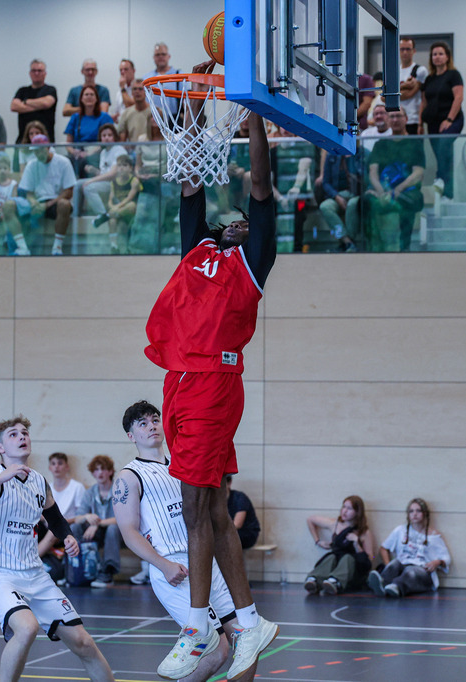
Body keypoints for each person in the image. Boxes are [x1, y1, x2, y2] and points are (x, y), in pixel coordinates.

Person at [145, 59, 279, 682]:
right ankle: (249, 623)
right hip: (179, 381)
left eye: (244, 222)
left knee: (195, 509)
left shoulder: (251, 264)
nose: (236, 221)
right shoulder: (197, 246)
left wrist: (252, 119)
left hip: (212, 380)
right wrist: (197, 101)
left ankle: (199, 626)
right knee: (214, 509)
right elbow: (193, 176)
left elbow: (259, 186)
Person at [0, 416, 116, 682]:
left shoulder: (39, 481)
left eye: (25, 432)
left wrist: (68, 537)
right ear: (0, 448)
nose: (21, 436)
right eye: (13, 434)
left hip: (36, 576)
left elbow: (55, 518)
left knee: (84, 643)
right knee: (27, 628)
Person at [112, 400, 248, 682]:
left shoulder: (182, 464)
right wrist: (163, 565)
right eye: (143, 423)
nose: (152, 426)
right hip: (174, 568)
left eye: (154, 419)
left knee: (245, 636)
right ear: (131, 435)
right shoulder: (129, 476)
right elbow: (129, 532)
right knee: (215, 651)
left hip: (206, 561)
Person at [364, 108, 425, 252]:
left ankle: (405, 247)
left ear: (406, 119)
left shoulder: (416, 143)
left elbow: (418, 173)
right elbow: (373, 172)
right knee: (364, 202)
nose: (395, 120)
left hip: (407, 192)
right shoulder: (380, 144)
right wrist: (381, 192)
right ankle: (374, 247)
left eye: (398, 116)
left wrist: (398, 190)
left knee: (408, 202)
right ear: (388, 120)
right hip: (383, 192)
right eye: (392, 116)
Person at [368, 498, 451, 598]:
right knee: (395, 564)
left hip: (421, 571)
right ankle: (382, 584)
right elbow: (384, 548)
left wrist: (437, 562)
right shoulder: (400, 530)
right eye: (411, 511)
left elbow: (446, 558)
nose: (414, 514)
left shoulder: (433, 536)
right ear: (408, 515)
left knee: (410, 571)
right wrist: (387, 564)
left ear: (425, 513)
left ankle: (396, 587)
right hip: (403, 565)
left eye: (418, 511)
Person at [68, 455, 124, 587]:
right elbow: (78, 517)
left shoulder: (119, 490)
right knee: (75, 527)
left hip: (119, 535)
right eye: (96, 470)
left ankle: (107, 573)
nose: (100, 473)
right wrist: (87, 517)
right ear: (93, 473)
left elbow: (122, 518)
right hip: (96, 535)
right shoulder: (90, 493)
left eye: (103, 469)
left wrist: (97, 523)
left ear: (110, 472)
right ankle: (76, 569)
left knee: (112, 528)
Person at [305, 495, 374, 595]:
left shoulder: (364, 532)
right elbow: (310, 520)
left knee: (347, 558)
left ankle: (336, 581)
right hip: (336, 561)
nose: (344, 511)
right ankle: (315, 579)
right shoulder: (334, 524)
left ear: (357, 512)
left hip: (352, 567)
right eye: (343, 507)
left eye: (349, 508)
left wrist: (356, 544)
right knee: (331, 557)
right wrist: (318, 541)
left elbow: (371, 557)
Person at [20, 133, 76, 255]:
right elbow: (28, 193)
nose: (38, 154)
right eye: (35, 151)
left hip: (56, 203)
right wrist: (33, 202)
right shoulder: (31, 165)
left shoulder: (63, 162)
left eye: (40, 150)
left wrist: (47, 205)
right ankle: (21, 247)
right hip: (39, 203)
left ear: (48, 148)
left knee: (64, 204)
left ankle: (57, 247)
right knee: (12, 205)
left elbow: (68, 192)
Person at [421, 41, 463, 201]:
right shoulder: (429, 79)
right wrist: (420, 123)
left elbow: (458, 97)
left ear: (447, 57)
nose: (437, 57)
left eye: (440, 54)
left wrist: (449, 119)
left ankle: (444, 185)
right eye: (434, 54)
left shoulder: (453, 75)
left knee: (444, 148)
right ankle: (445, 190)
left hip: (452, 119)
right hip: (433, 121)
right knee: (439, 154)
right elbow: (423, 102)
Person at [81, 123, 129, 224]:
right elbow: (103, 173)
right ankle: (77, 212)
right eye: (104, 136)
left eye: (109, 135)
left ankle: (102, 214)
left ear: (114, 137)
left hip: (116, 184)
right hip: (106, 183)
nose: (106, 138)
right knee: (77, 184)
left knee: (88, 187)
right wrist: (94, 171)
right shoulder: (103, 152)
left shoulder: (119, 150)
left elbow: (112, 175)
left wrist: (92, 180)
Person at [65, 85, 115, 176]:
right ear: (81, 99)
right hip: (78, 153)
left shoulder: (104, 117)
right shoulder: (75, 117)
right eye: (86, 94)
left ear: (97, 99)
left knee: (88, 160)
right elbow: (68, 143)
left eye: (92, 94)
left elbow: (109, 140)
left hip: (97, 152)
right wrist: (74, 152)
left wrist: (89, 153)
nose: (89, 97)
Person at [10, 59, 58, 142]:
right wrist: (39, 106)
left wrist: (25, 102)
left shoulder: (50, 90)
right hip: (23, 141)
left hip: (45, 142)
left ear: (45, 73)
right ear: (30, 73)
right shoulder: (22, 91)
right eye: (34, 70)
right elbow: (14, 106)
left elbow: (46, 103)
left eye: (39, 71)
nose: (36, 73)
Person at [104, 154, 141, 253]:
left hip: (131, 211)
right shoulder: (113, 182)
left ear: (130, 168)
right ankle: (114, 246)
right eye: (119, 165)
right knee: (112, 221)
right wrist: (112, 206)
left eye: (124, 165)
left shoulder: (134, 181)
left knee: (131, 205)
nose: (121, 168)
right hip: (119, 210)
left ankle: (112, 214)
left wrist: (116, 209)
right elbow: (110, 199)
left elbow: (129, 198)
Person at [225, 475, 260, 551]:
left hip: (247, 533)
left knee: (222, 540)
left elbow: (237, 524)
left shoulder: (240, 498)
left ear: (229, 483)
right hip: (230, 533)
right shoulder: (216, 501)